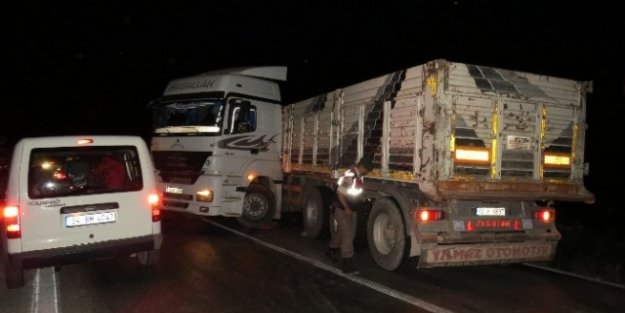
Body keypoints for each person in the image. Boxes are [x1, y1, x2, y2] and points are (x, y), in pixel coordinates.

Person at [327, 154, 373, 274]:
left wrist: (362, 199)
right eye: (367, 170)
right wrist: (347, 208)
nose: (367, 172)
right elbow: (340, 193)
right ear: (363, 166)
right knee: (348, 235)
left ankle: (331, 249)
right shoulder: (350, 175)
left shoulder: (358, 177)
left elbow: (353, 193)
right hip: (341, 209)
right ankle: (347, 265)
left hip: (351, 209)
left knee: (344, 233)